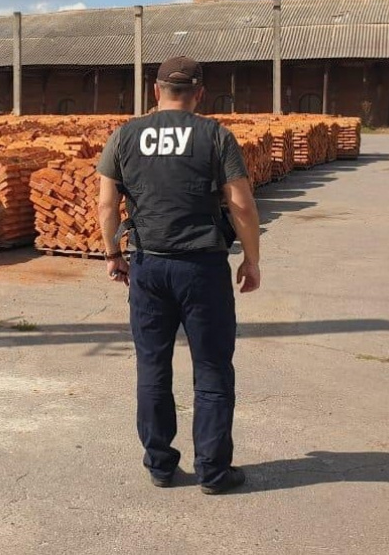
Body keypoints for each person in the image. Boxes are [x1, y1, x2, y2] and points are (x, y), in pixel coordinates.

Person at [96, 56, 262, 495]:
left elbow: (107, 205)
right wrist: (251, 258)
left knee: (152, 366)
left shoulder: (125, 135)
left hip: (148, 265)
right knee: (211, 369)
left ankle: (160, 464)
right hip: (202, 268)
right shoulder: (216, 136)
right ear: (200, 93)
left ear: (155, 90)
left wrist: (113, 253)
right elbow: (241, 204)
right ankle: (213, 471)